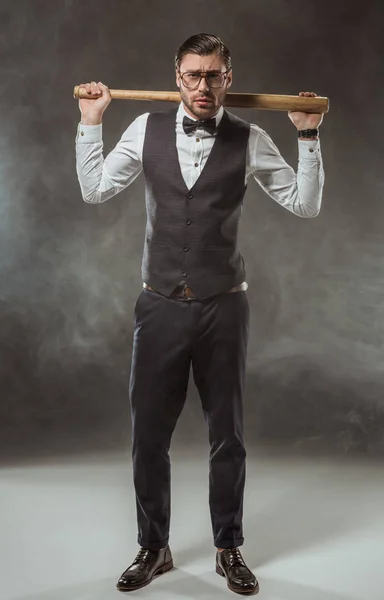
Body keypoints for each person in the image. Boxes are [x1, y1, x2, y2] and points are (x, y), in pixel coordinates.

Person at [75, 33, 325, 595]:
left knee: (227, 436)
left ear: (228, 78)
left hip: (224, 307)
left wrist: (308, 136)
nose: (202, 86)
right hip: (158, 304)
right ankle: (153, 546)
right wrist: (91, 122)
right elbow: (93, 190)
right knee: (147, 437)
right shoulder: (144, 130)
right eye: (192, 75)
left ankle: (228, 547)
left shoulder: (251, 137)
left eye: (213, 75)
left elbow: (305, 205)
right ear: (177, 76)